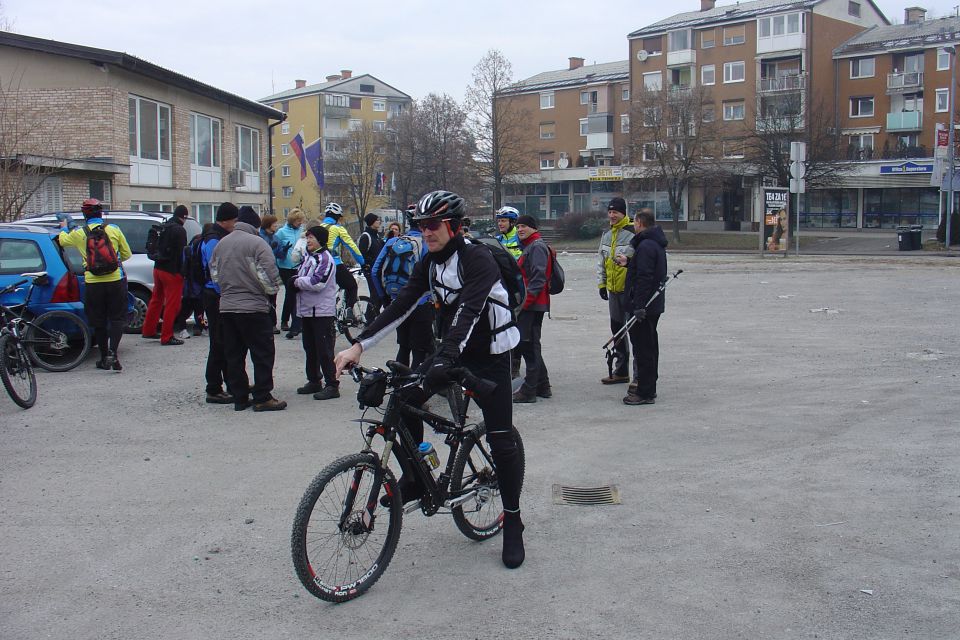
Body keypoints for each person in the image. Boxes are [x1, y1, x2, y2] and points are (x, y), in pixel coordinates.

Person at [335, 190, 526, 569]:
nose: (426, 232)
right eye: (421, 226)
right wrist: (358, 347)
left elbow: (469, 314)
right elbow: (401, 305)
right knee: (403, 397)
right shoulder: (428, 262)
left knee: (502, 439)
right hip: (452, 350)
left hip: (490, 356)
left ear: (453, 226)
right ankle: (415, 479)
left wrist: (444, 359)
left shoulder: (479, 259)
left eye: (433, 225)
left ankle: (513, 520)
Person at [210, 207, 286, 412]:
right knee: (262, 353)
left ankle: (240, 397)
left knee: (234, 354)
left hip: (227, 307)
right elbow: (270, 278)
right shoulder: (258, 243)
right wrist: (267, 294)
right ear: (255, 225)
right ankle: (262, 397)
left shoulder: (221, 244)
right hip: (253, 308)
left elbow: (215, 276)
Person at [57, 198, 132, 370]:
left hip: (93, 282)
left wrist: (63, 225)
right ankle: (113, 353)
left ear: (85, 214)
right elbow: (127, 255)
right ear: (101, 213)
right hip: (115, 280)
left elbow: (62, 241)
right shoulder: (114, 229)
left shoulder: (79, 233)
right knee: (117, 318)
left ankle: (104, 357)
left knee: (98, 321)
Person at [371, 205, 434, 369]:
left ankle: (400, 387)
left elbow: (375, 271)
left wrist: (384, 297)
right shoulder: (428, 244)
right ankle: (413, 389)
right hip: (422, 304)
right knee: (420, 350)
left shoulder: (393, 241)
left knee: (404, 346)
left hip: (397, 301)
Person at [617, 209, 668, 405]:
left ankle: (645, 392)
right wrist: (629, 262)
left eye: (634, 222)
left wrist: (638, 306)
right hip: (652, 306)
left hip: (644, 308)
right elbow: (648, 270)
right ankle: (648, 388)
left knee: (644, 350)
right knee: (649, 347)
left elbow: (645, 278)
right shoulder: (654, 243)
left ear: (639, 222)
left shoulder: (645, 245)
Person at [293, 225, 340, 401]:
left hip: (321, 311)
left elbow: (317, 282)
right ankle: (314, 379)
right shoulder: (309, 257)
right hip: (307, 311)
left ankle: (332, 384)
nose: (308, 241)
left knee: (325, 350)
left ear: (320, 239)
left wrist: (296, 282)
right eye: (307, 238)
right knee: (310, 348)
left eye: (311, 237)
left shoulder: (325, 258)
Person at [511, 214, 552, 403]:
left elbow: (538, 278)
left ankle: (529, 391)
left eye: (524, 226)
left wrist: (525, 303)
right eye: (518, 226)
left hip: (533, 305)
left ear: (533, 228)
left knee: (529, 346)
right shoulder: (530, 246)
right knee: (531, 344)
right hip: (532, 304)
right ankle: (543, 386)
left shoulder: (536, 247)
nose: (520, 229)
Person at [201, 204, 238, 404]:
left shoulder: (214, 236)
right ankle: (214, 388)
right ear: (225, 220)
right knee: (218, 343)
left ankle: (231, 382)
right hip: (215, 296)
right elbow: (215, 270)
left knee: (225, 341)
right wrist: (224, 293)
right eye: (234, 221)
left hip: (216, 294)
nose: (235, 225)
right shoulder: (214, 240)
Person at [597, 197, 635, 385]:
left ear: (623, 213)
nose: (612, 216)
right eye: (610, 212)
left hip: (629, 291)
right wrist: (601, 285)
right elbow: (601, 262)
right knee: (617, 330)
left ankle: (638, 375)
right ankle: (621, 371)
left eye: (616, 212)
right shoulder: (606, 235)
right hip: (613, 291)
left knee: (635, 332)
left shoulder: (632, 233)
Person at [142, 205, 189, 345]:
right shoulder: (179, 230)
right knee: (172, 304)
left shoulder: (163, 227)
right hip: (172, 271)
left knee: (156, 299)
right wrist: (183, 272)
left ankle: (148, 330)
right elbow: (182, 254)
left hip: (158, 268)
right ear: (184, 217)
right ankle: (167, 336)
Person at [319, 202, 364, 321]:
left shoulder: (318, 227)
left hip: (319, 264)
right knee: (351, 286)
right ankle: (349, 311)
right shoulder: (338, 229)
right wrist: (363, 262)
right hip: (334, 264)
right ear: (337, 217)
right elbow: (352, 247)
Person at [173, 224, 208, 340]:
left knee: (185, 307)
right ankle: (199, 326)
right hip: (198, 283)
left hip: (188, 282)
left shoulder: (189, 246)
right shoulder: (203, 243)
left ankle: (183, 328)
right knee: (199, 307)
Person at [274, 208, 305, 334]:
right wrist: (284, 251)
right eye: (298, 220)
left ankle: (296, 321)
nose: (300, 223)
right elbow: (277, 251)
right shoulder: (281, 232)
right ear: (292, 220)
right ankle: (285, 320)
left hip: (298, 266)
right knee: (290, 294)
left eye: (301, 221)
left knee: (296, 294)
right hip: (285, 267)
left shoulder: (302, 231)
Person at [357, 212, 385, 321]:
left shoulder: (376, 236)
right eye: (377, 220)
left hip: (377, 270)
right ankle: (369, 319)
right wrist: (368, 265)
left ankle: (372, 317)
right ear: (372, 222)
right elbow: (362, 254)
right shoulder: (366, 236)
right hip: (370, 270)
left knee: (378, 294)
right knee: (375, 294)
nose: (379, 222)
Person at [258, 212, 283, 334]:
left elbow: (278, 254)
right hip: (262, 270)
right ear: (268, 224)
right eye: (274, 223)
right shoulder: (260, 236)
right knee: (265, 297)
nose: (276, 226)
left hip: (273, 268)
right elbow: (261, 254)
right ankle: (266, 323)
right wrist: (272, 249)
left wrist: (283, 250)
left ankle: (272, 323)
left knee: (273, 297)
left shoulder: (275, 237)